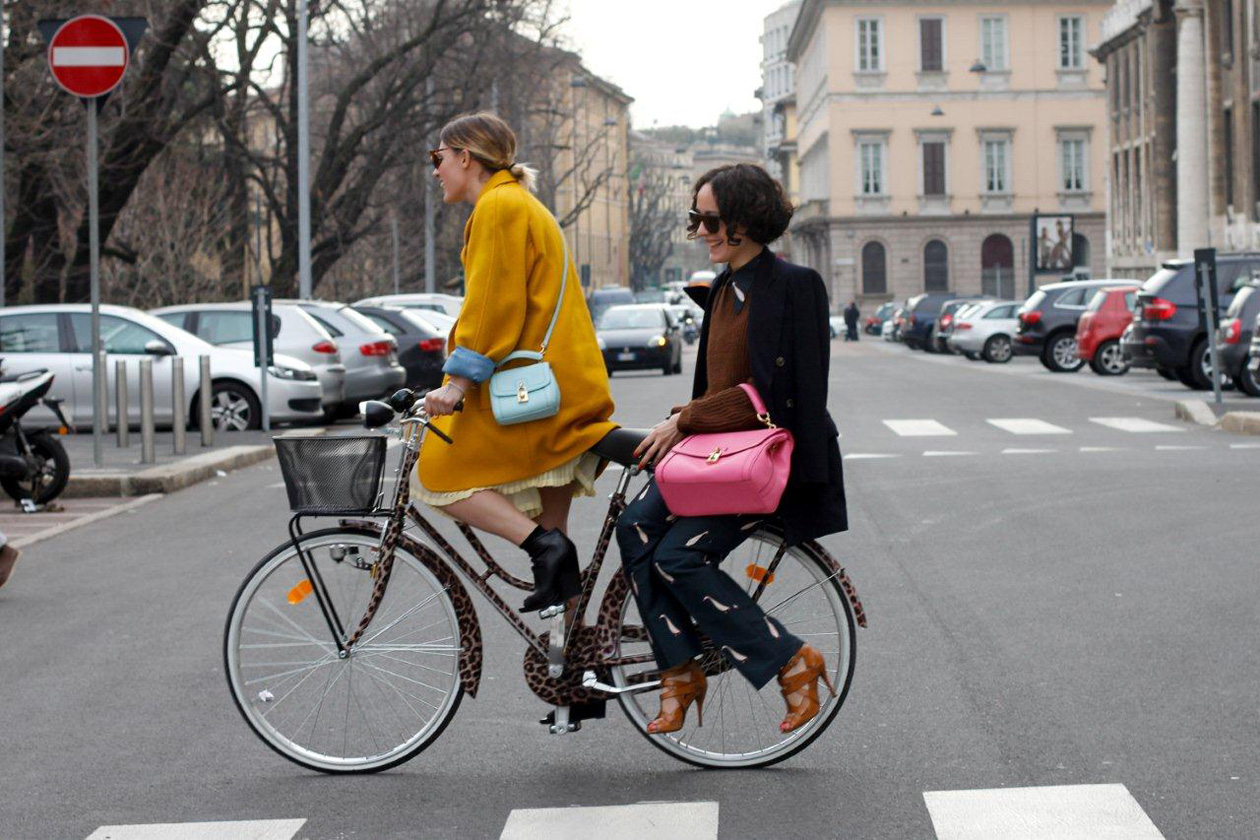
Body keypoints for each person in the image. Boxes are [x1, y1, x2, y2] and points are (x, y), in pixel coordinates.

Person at [615, 163, 847, 735]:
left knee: (677, 558)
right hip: (713, 459)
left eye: (710, 219)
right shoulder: (719, 288)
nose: (700, 230)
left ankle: (793, 663)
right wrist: (686, 421)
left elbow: (789, 396)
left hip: (761, 464)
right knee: (635, 528)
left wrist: (688, 419)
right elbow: (721, 389)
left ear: (745, 220)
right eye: (695, 218)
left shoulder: (796, 286)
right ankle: (680, 671)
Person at [417, 112, 617, 612]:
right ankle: (577, 670)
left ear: (466, 157)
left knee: (440, 473)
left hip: (533, 395)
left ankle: (543, 549)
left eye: (437, 159)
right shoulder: (522, 203)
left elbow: (492, 306)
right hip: (561, 388)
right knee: (558, 550)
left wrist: (457, 386)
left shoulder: (498, 207)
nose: (436, 170)